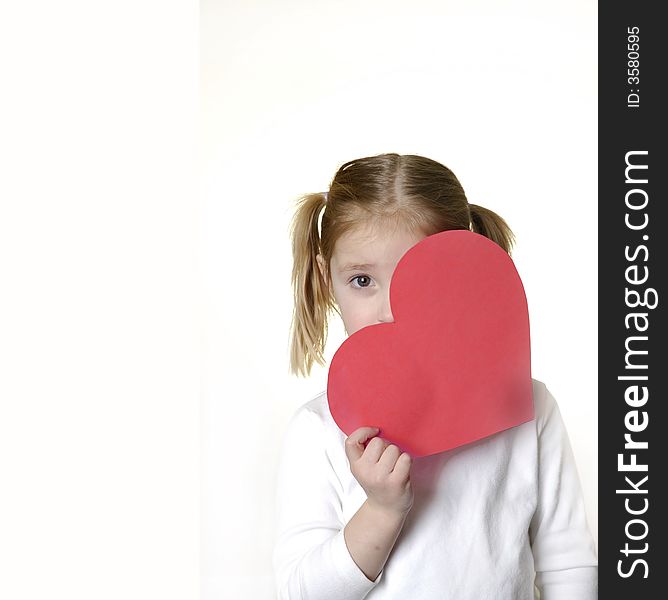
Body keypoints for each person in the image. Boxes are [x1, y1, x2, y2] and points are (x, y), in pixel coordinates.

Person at [272, 153, 598, 599]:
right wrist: (383, 510)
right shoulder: (317, 430)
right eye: (363, 280)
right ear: (328, 280)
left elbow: (568, 563)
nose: (390, 309)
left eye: (419, 278)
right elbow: (302, 592)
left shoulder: (527, 406)